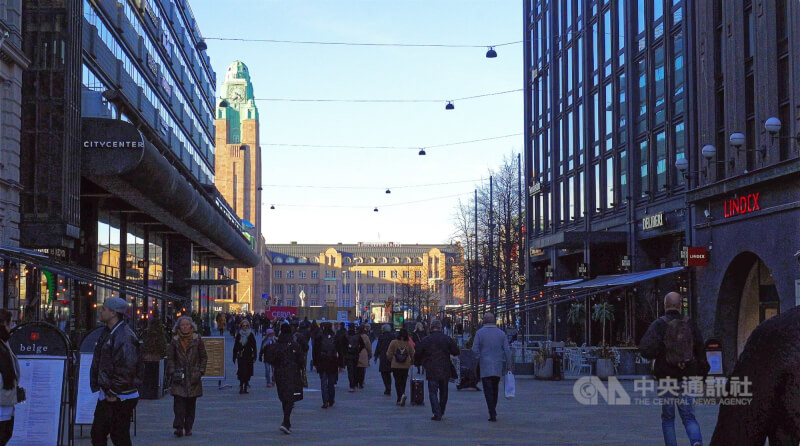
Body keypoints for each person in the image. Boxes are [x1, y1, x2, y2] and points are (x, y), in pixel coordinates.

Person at [639, 292, 708, 446]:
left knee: (668, 418)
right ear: (680, 305)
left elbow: (645, 349)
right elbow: (701, 351)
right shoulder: (690, 324)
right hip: (688, 376)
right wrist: (703, 377)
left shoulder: (659, 324)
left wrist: (659, 352)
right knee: (689, 416)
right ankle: (696, 442)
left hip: (666, 378)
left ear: (665, 305)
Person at [90, 297, 142, 446]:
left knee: (117, 435)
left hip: (119, 395)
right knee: (101, 434)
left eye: (104, 309)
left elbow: (127, 367)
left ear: (114, 313)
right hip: (111, 393)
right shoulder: (110, 332)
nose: (100, 310)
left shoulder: (124, 335)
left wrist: (113, 391)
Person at [165, 316, 207, 437]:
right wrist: (172, 370)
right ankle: (179, 426)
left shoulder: (197, 340)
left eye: (187, 325)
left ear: (191, 326)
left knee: (190, 405)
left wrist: (201, 371)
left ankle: (188, 427)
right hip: (179, 376)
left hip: (193, 376)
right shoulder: (175, 340)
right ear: (179, 327)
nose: (185, 327)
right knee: (178, 403)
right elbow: (171, 357)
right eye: (182, 325)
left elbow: (203, 356)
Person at [414, 319, 459, 421]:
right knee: (444, 391)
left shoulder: (426, 339)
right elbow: (456, 351)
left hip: (431, 368)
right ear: (440, 328)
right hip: (445, 368)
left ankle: (436, 412)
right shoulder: (446, 338)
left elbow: (418, 352)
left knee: (432, 391)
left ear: (431, 328)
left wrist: (418, 362)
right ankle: (441, 410)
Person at [264, 324, 304, 435]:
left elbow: (270, 358)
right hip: (292, 373)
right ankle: (286, 422)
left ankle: (287, 422)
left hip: (280, 373)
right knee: (290, 397)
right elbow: (301, 360)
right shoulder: (294, 345)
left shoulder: (277, 345)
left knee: (284, 397)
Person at [471, 312, 512, 422]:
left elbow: (474, 349)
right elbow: (507, 350)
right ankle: (493, 408)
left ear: (484, 320)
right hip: (498, 365)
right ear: (494, 320)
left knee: (487, 389)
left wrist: (479, 358)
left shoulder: (479, 333)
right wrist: (509, 364)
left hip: (485, 365)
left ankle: (492, 411)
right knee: (495, 388)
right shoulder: (501, 334)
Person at [0, 309, 20, 445]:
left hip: (6, 403)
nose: (11, 326)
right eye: (10, 323)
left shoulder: (4, 343)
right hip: (2, 401)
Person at [312, 322, 342, 408]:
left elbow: (315, 351)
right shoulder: (335, 337)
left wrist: (315, 362)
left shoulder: (319, 337)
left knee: (323, 382)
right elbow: (340, 351)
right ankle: (331, 399)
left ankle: (325, 401)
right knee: (331, 382)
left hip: (322, 361)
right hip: (332, 361)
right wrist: (341, 363)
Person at [386, 328, 415, 406]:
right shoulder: (408, 343)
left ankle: (400, 397)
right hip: (406, 365)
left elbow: (389, 353)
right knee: (403, 380)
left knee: (397, 381)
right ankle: (403, 393)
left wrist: (391, 359)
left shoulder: (394, 342)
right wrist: (412, 361)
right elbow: (412, 353)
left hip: (395, 365)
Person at [233, 319, 257, 394]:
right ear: (241, 326)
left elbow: (254, 345)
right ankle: (241, 385)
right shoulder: (239, 335)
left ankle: (245, 386)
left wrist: (255, 355)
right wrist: (234, 356)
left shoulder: (250, 334)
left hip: (249, 355)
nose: (245, 327)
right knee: (241, 371)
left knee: (248, 372)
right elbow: (236, 345)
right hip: (241, 355)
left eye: (247, 326)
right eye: (243, 326)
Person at [374, 324, 395, 395]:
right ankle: (389, 387)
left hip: (383, 357)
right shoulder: (392, 336)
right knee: (389, 372)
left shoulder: (381, 337)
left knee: (384, 373)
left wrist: (376, 356)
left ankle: (387, 387)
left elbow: (378, 347)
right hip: (391, 357)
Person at [355, 324, 373, 389]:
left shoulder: (355, 336)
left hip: (355, 353)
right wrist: (370, 354)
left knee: (356, 368)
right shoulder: (365, 337)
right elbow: (369, 346)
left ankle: (355, 382)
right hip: (363, 353)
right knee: (362, 369)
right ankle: (361, 382)